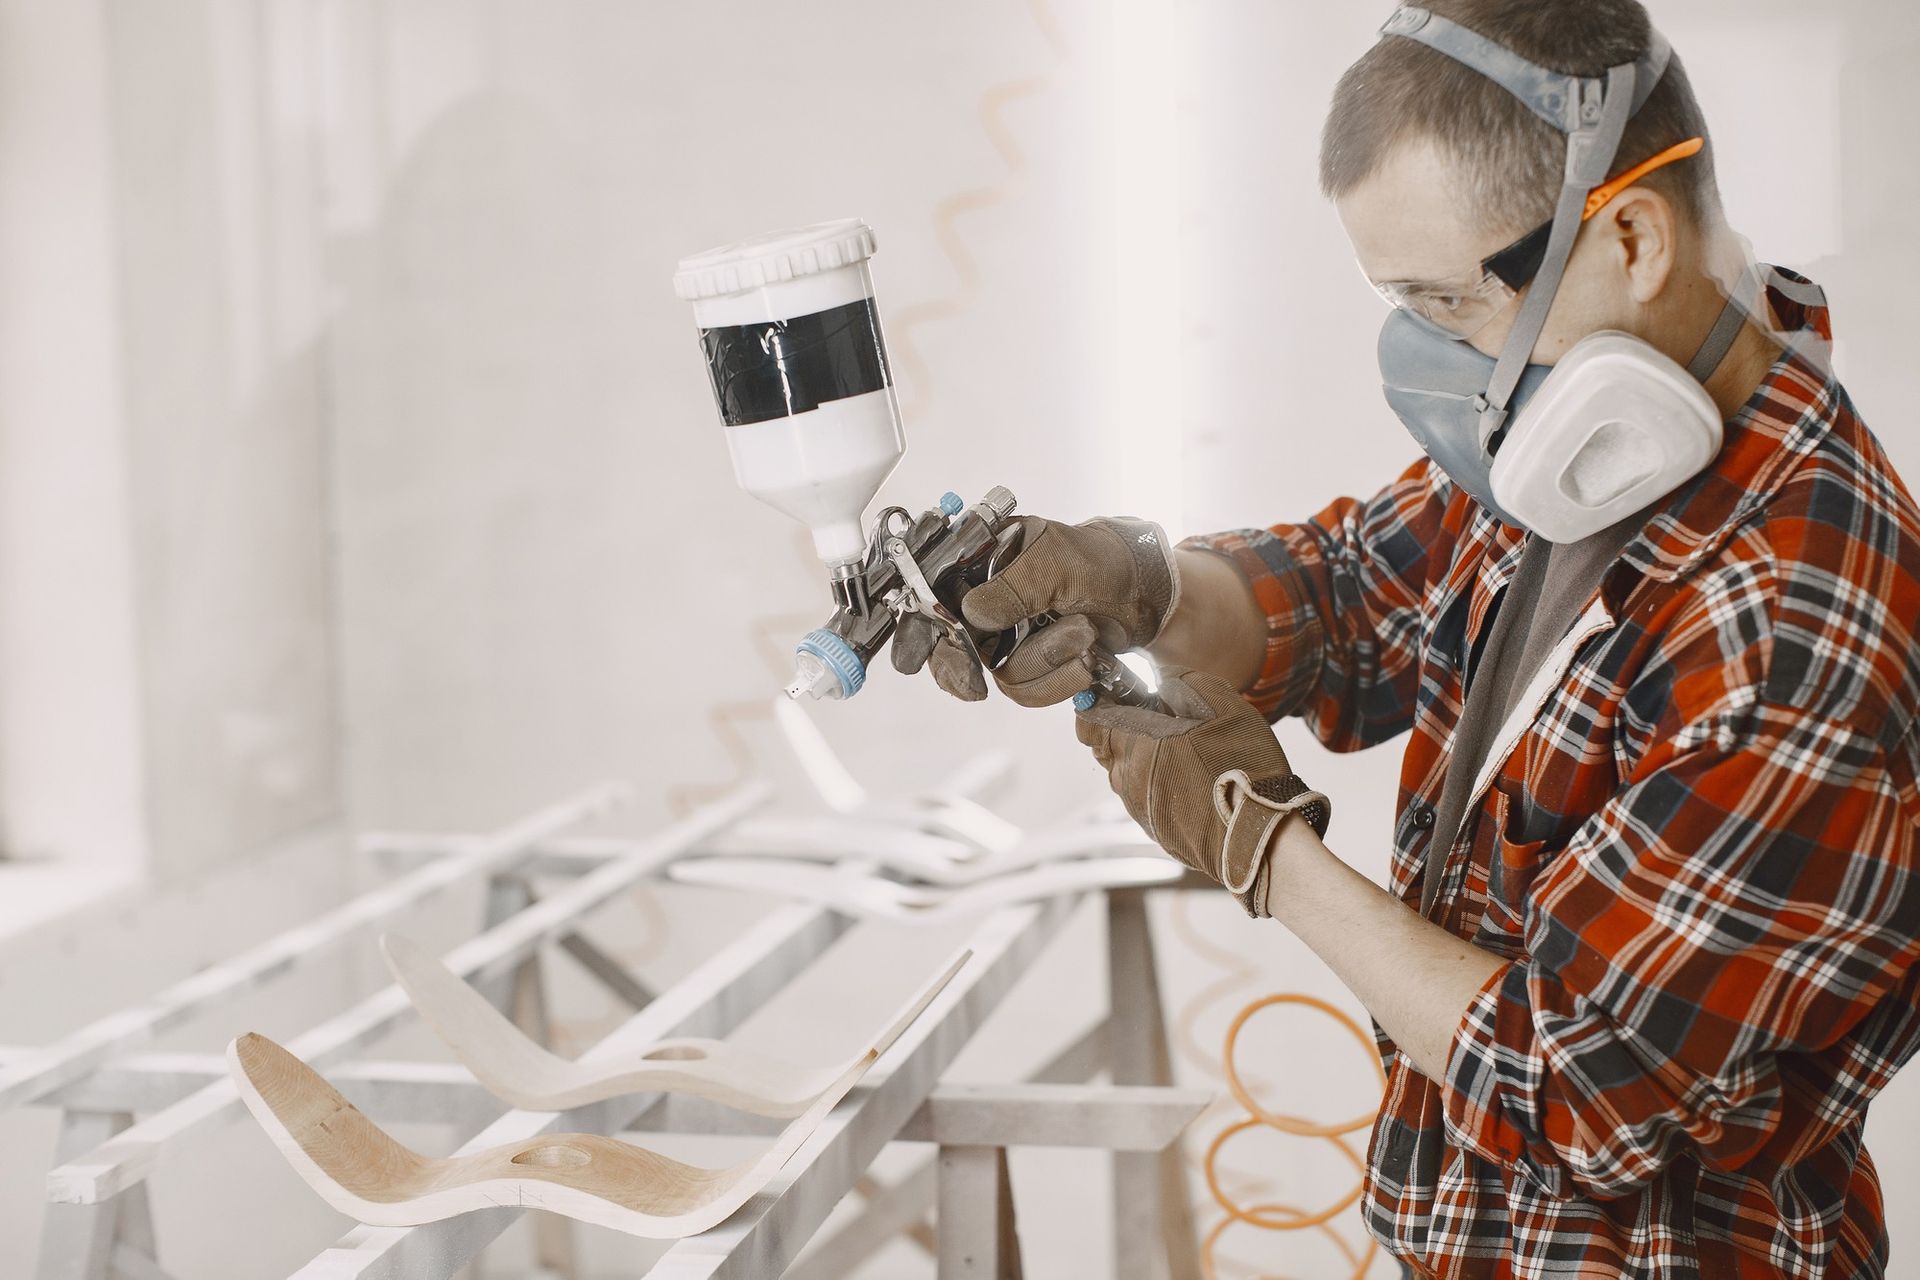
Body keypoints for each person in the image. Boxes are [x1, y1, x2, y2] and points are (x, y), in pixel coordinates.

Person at [894, 2, 1920, 1276]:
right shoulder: (1582, 442)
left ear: (1634, 236)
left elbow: (1572, 1080)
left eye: (1447, 300)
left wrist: (1260, 843)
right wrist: (1131, 582)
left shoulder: (1792, 623)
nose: (1426, 357)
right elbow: (1339, 599)